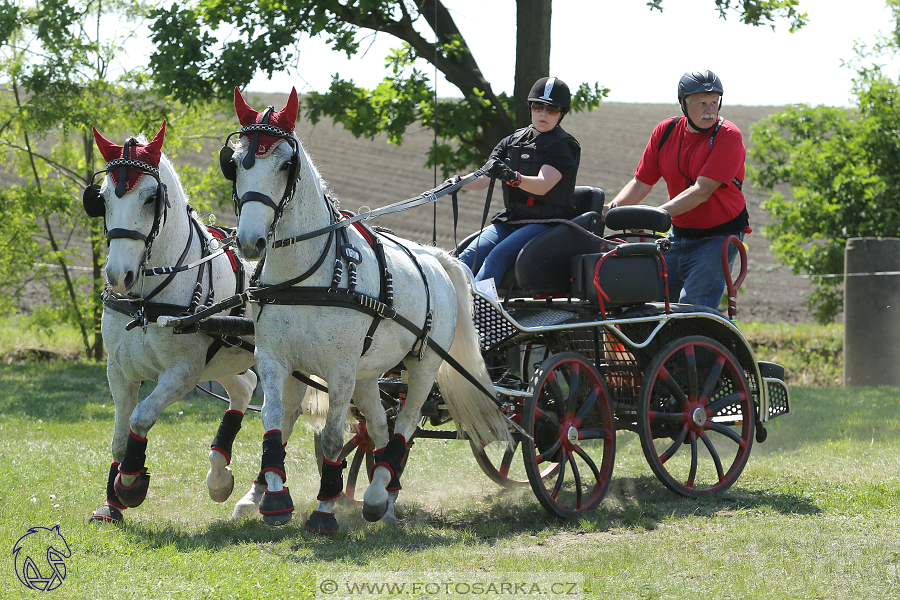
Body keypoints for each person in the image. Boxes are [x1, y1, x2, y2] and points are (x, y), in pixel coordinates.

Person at [604, 69, 750, 310]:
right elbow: (641, 182)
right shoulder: (666, 132)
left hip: (718, 237)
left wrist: (654, 217)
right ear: (683, 103)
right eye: (701, 102)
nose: (710, 109)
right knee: (650, 304)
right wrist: (613, 208)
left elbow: (702, 190)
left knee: (691, 308)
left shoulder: (727, 135)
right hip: (679, 235)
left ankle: (696, 347)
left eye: (714, 102)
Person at [457, 76, 581, 285]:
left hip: (546, 223)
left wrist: (513, 177)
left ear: (561, 114)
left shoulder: (562, 146)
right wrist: (456, 183)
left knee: (497, 257)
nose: (543, 113)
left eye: (551, 110)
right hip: (512, 219)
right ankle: (446, 309)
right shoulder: (512, 140)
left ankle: (477, 313)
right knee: (467, 256)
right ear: (530, 107)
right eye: (538, 107)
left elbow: (542, 185)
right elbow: (483, 178)